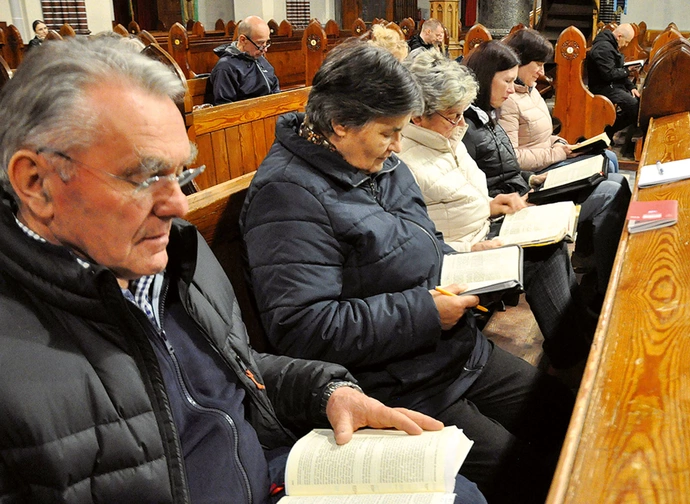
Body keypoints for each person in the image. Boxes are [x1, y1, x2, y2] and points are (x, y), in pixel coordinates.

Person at [0, 36, 483, 503]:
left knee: (456, 490)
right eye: (145, 176)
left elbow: (232, 372)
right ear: (36, 183)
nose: (178, 207)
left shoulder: (175, 256)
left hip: (265, 472)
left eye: (181, 175)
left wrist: (326, 391)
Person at [240, 40, 576, 504]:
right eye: (388, 132)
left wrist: (465, 255)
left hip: (455, 352)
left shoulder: (380, 163)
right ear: (339, 123)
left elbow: (416, 241)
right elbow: (302, 328)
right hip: (398, 386)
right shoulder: (287, 195)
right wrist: (424, 312)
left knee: (571, 416)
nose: (399, 146)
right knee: (531, 475)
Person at [399, 48, 593, 369]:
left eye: (463, 112)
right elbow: (413, 240)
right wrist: (470, 246)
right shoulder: (406, 160)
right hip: (457, 259)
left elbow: (454, 200)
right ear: (417, 114)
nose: (462, 122)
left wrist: (491, 205)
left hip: (483, 232)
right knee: (541, 256)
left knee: (551, 240)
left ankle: (576, 335)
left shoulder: (447, 136)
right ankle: (575, 359)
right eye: (453, 114)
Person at [462, 40, 631, 302]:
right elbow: (479, 181)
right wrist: (545, 167)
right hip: (513, 206)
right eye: (507, 81)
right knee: (610, 191)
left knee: (614, 179)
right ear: (486, 79)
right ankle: (607, 287)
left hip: (527, 189)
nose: (512, 88)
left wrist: (534, 176)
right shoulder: (468, 126)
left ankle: (602, 276)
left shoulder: (490, 114)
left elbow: (505, 164)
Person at [499, 29, 619, 174]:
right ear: (519, 61)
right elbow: (512, 157)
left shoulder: (531, 90)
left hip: (548, 159)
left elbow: (541, 138)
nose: (542, 72)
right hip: (535, 172)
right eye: (538, 64)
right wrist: (558, 153)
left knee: (609, 157)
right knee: (605, 167)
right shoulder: (507, 99)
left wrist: (560, 143)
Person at [208, 15, 280, 105]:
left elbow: (275, 90)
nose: (265, 50)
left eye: (266, 43)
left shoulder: (259, 58)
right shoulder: (226, 67)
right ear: (243, 40)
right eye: (260, 43)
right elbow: (225, 107)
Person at [586, 23, 640, 141]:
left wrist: (631, 87)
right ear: (619, 36)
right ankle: (606, 132)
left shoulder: (610, 45)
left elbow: (617, 71)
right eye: (626, 42)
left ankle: (609, 131)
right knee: (634, 106)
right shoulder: (603, 48)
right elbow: (608, 74)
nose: (625, 45)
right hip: (602, 88)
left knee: (637, 101)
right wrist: (627, 71)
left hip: (611, 85)